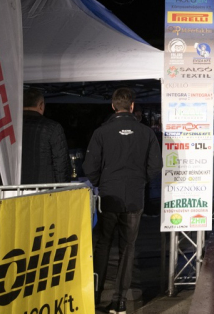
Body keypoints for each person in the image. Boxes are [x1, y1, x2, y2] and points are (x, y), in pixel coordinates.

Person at [83, 88, 162, 313]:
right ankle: (119, 302)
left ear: (113, 106)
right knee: (128, 247)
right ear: (132, 106)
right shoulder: (146, 133)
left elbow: (89, 167)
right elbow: (156, 166)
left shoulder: (101, 132)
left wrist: (102, 182)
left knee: (103, 244)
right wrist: (140, 181)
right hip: (134, 198)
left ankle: (95, 297)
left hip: (109, 196)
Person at [21, 87, 71, 184]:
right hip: (45, 190)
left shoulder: (7, 128)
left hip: (10, 189)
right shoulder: (53, 128)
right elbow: (61, 165)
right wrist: (63, 188)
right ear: (41, 105)